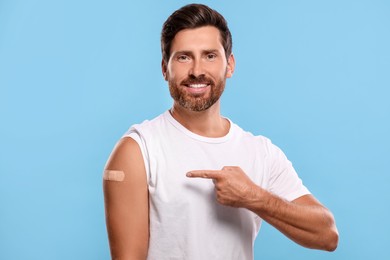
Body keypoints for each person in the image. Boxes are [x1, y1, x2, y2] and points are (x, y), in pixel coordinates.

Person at [103, 3, 339, 259]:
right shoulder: (138, 150)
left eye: (210, 55)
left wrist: (254, 197)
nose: (197, 71)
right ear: (164, 69)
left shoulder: (261, 152)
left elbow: (327, 235)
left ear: (230, 65)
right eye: (183, 57)